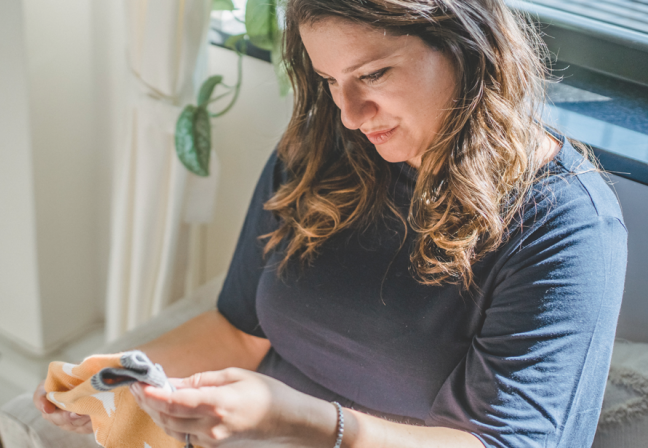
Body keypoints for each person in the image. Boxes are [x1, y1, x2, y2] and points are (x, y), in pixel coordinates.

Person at [34, 0, 628, 446]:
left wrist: (304, 420)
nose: (349, 114)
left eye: (373, 75)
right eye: (330, 81)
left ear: (467, 46)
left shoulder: (564, 226)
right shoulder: (318, 153)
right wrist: (116, 374)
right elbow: (237, 332)